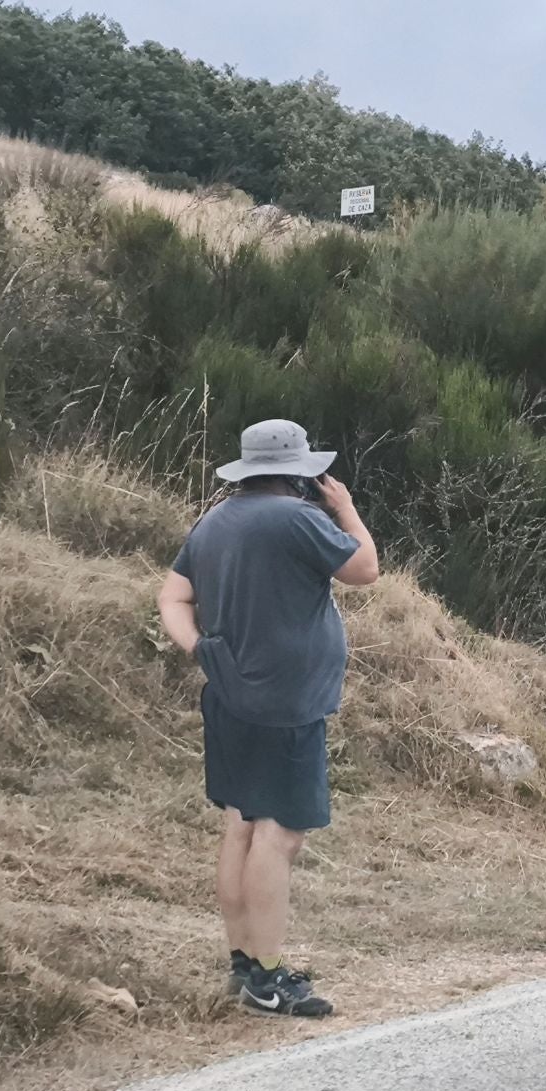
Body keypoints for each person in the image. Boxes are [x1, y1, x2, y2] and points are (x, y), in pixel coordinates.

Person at [156, 419, 380, 1017]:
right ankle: (269, 981)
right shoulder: (296, 518)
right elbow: (364, 570)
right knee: (277, 837)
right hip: (287, 703)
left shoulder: (214, 521)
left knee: (242, 824)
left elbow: (171, 597)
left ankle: (244, 964)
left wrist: (199, 649)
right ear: (299, 471)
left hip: (232, 696)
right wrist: (348, 508)